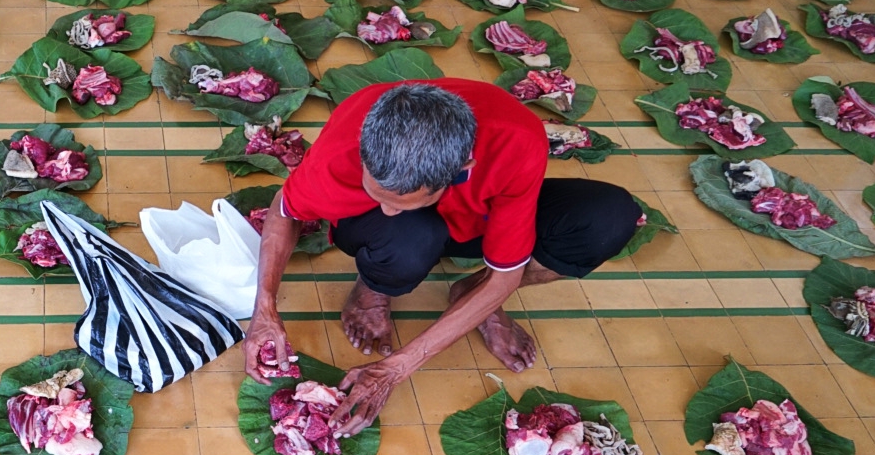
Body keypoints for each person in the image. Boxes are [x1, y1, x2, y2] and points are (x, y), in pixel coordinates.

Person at [243, 77, 642, 436]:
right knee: (406, 237)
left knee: (608, 218)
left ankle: (474, 293)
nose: (387, 208)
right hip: (405, 236)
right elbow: (286, 209)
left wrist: (395, 368)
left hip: (480, 216)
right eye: (378, 194)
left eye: (401, 201)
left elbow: (506, 276)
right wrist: (265, 307)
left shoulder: (516, 140)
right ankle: (374, 287)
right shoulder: (352, 136)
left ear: (462, 167)